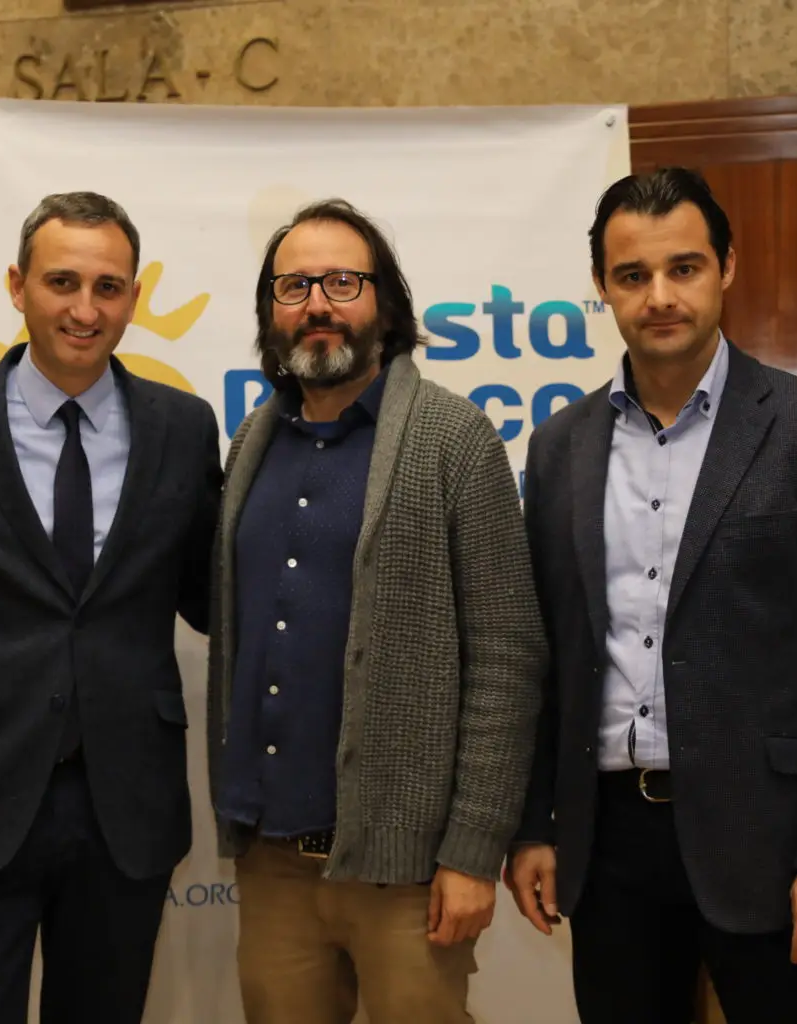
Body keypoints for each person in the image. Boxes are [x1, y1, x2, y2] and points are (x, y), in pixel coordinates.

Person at [506, 167, 797, 1024]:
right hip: (607, 842)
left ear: (727, 266)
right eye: (632, 275)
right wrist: (535, 824)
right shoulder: (559, 446)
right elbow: (546, 654)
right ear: (602, 287)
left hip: (769, 841)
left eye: (683, 267)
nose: (659, 296)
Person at [0, 191, 222, 1024]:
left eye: (108, 288)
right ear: (16, 286)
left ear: (133, 299)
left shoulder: (183, 426)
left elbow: (210, 597)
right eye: (62, 282)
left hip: (123, 805)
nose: (84, 310)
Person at [207, 198, 546, 1023]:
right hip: (273, 863)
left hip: (409, 873)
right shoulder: (252, 443)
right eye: (294, 286)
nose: (317, 304)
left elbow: (507, 659)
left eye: (342, 282)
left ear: (385, 304)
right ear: (271, 311)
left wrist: (473, 850)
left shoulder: (454, 438)